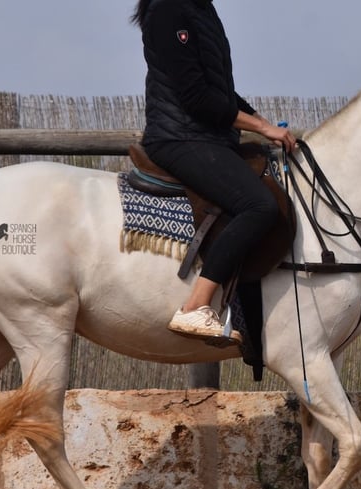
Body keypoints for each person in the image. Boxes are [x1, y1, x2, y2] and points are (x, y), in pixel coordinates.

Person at [131, 0, 297, 345]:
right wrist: (261, 127)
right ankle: (196, 305)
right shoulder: (167, 11)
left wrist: (258, 120)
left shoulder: (201, 9)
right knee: (259, 206)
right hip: (179, 137)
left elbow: (220, 91)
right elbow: (197, 97)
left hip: (208, 137)